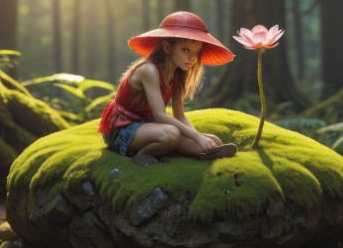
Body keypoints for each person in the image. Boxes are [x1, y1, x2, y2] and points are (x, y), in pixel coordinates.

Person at [98, 11, 238, 167]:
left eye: (196, 52)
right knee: (172, 135)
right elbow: (160, 116)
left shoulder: (178, 75)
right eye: (185, 50)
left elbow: (180, 116)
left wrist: (197, 137)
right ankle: (143, 154)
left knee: (214, 141)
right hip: (122, 128)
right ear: (167, 47)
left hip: (147, 125)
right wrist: (198, 138)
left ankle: (201, 154)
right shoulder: (149, 70)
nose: (192, 58)